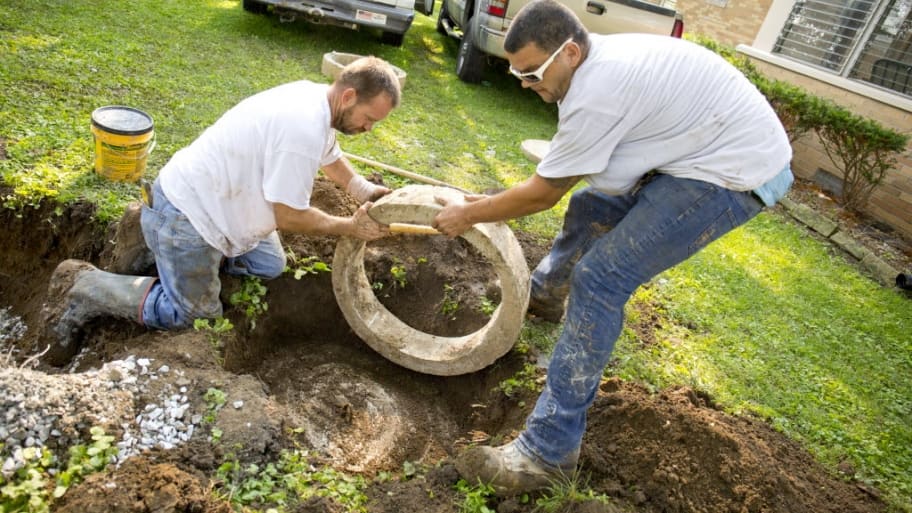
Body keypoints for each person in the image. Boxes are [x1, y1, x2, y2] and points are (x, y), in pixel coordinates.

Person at [432, 0, 793, 496]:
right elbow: (568, 177)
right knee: (592, 203)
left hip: (732, 173)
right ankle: (544, 294)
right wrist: (491, 201)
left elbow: (543, 193)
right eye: (517, 74)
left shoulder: (597, 91)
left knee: (601, 280)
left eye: (532, 73)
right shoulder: (597, 67)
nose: (525, 84)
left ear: (571, 52)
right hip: (699, 146)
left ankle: (547, 452)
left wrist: (470, 213)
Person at [42, 56, 400, 366]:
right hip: (189, 217)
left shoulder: (316, 100)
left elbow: (331, 156)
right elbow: (289, 216)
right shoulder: (302, 129)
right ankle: (88, 285)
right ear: (349, 96)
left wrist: (364, 189)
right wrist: (350, 226)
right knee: (193, 319)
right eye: (370, 119)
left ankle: (171, 246)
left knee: (270, 265)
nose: (369, 129)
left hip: (214, 203)